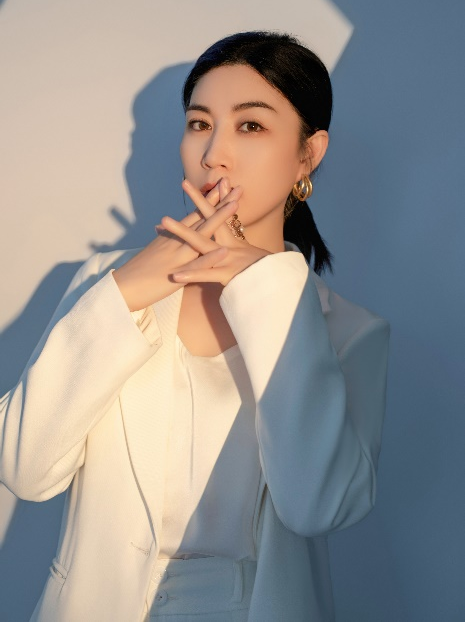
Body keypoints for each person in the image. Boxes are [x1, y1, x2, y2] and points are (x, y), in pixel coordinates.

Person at [0, 31, 389, 622]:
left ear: (308, 155)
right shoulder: (106, 282)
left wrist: (265, 290)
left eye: (250, 126)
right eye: (200, 124)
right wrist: (128, 289)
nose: (214, 155)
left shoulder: (350, 331)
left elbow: (315, 506)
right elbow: (23, 469)